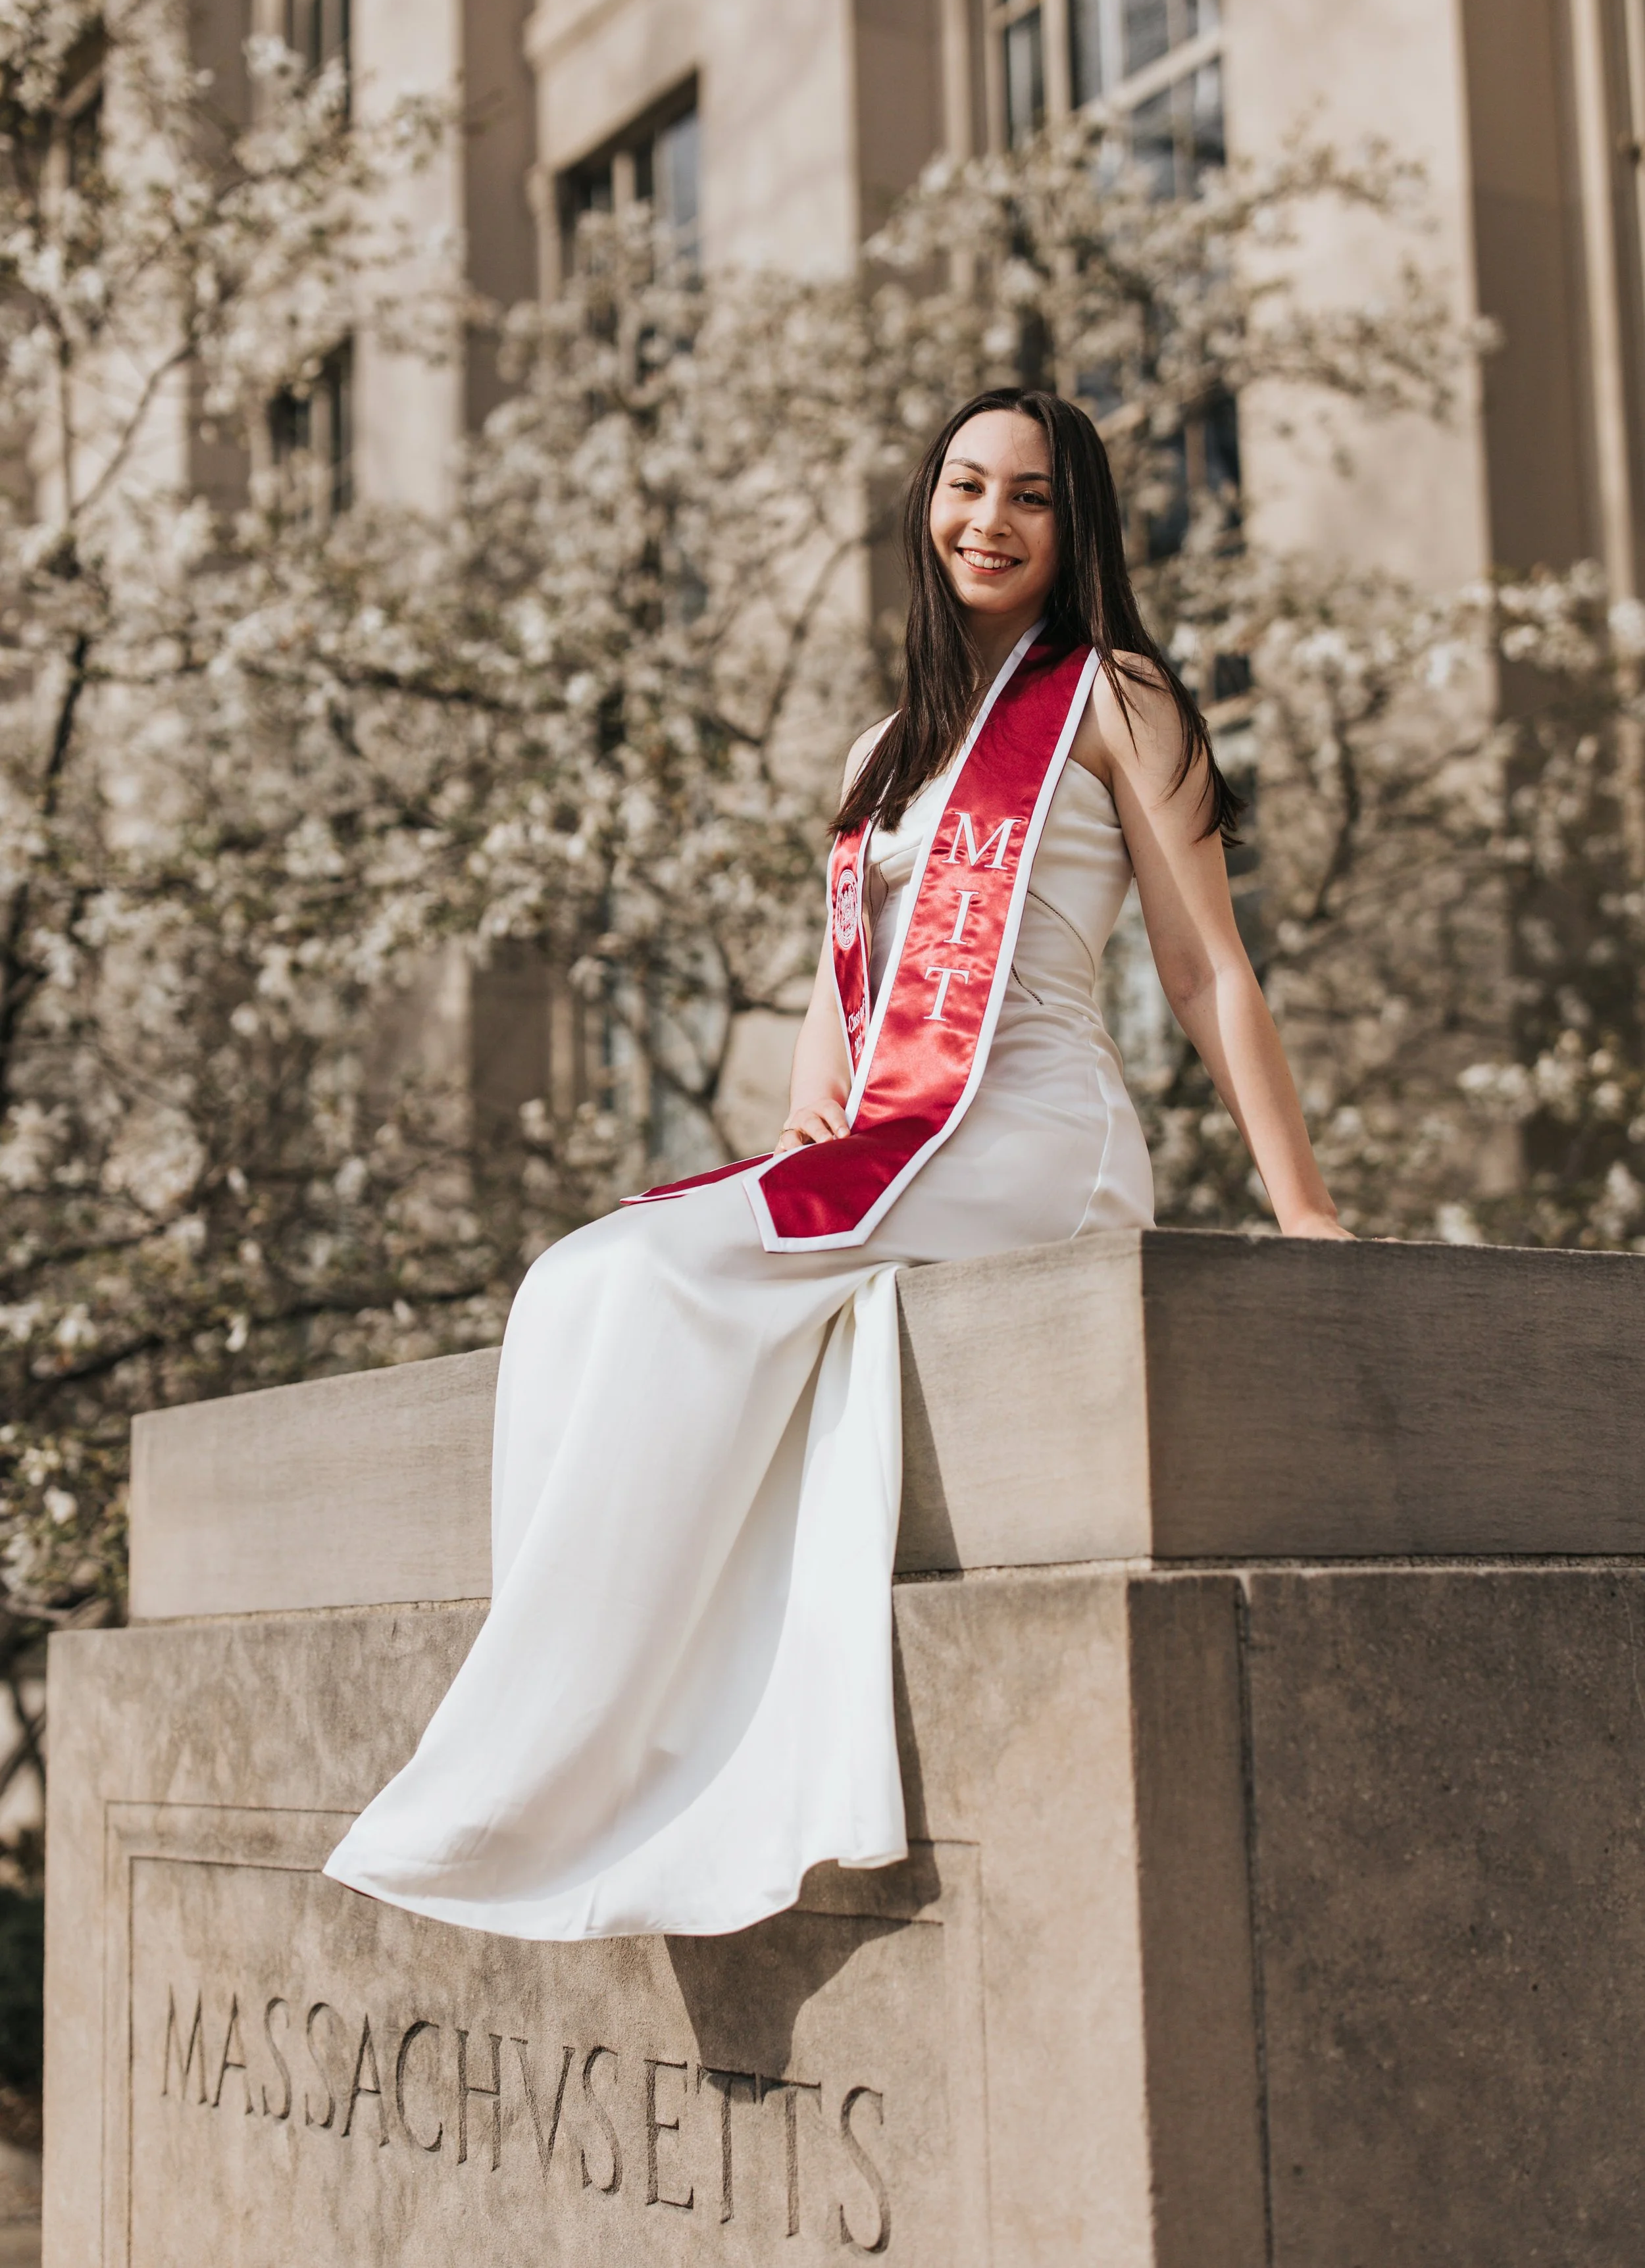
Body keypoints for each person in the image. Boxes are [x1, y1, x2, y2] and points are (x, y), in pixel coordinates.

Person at [324, 387, 1348, 1943]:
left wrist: (1305, 1209)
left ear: (1074, 531)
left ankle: (551, 1771)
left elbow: (1206, 968)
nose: (986, 524)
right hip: (897, 1138)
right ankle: (604, 1744)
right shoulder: (887, 747)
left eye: (1028, 498)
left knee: (665, 1275)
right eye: (962, 488)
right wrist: (801, 1137)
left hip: (1030, 1133)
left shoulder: (1112, 696)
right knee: (581, 1279)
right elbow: (840, 986)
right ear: (921, 508)